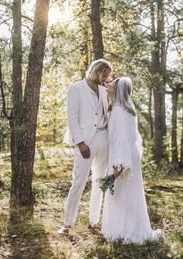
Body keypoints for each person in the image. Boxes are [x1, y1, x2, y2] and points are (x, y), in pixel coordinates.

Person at [101, 77, 164, 244]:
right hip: (124, 157)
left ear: (118, 89)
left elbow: (123, 139)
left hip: (122, 160)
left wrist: (119, 167)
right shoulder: (119, 109)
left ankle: (126, 231)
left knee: (122, 195)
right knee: (124, 195)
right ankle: (122, 229)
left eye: (112, 82)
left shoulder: (121, 112)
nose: (109, 83)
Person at [58, 59, 112, 234]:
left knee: (99, 183)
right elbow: (72, 118)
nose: (105, 79)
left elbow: (106, 114)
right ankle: (67, 224)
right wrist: (80, 143)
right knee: (79, 181)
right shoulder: (76, 89)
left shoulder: (103, 91)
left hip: (103, 139)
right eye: (104, 75)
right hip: (85, 142)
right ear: (97, 71)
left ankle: (94, 221)